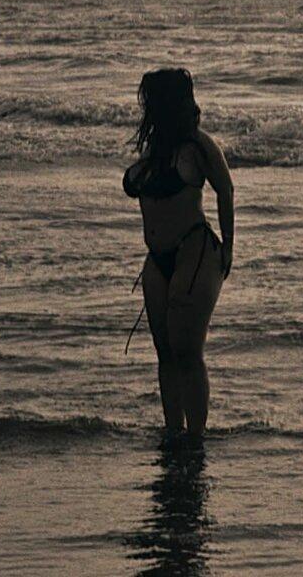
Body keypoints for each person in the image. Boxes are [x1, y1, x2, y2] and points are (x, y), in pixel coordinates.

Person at [123, 68, 234, 436]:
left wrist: (229, 248)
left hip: (194, 250)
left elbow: (225, 189)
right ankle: (173, 432)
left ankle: (196, 436)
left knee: (187, 349)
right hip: (157, 259)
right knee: (165, 351)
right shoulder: (154, 150)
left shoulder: (199, 146)